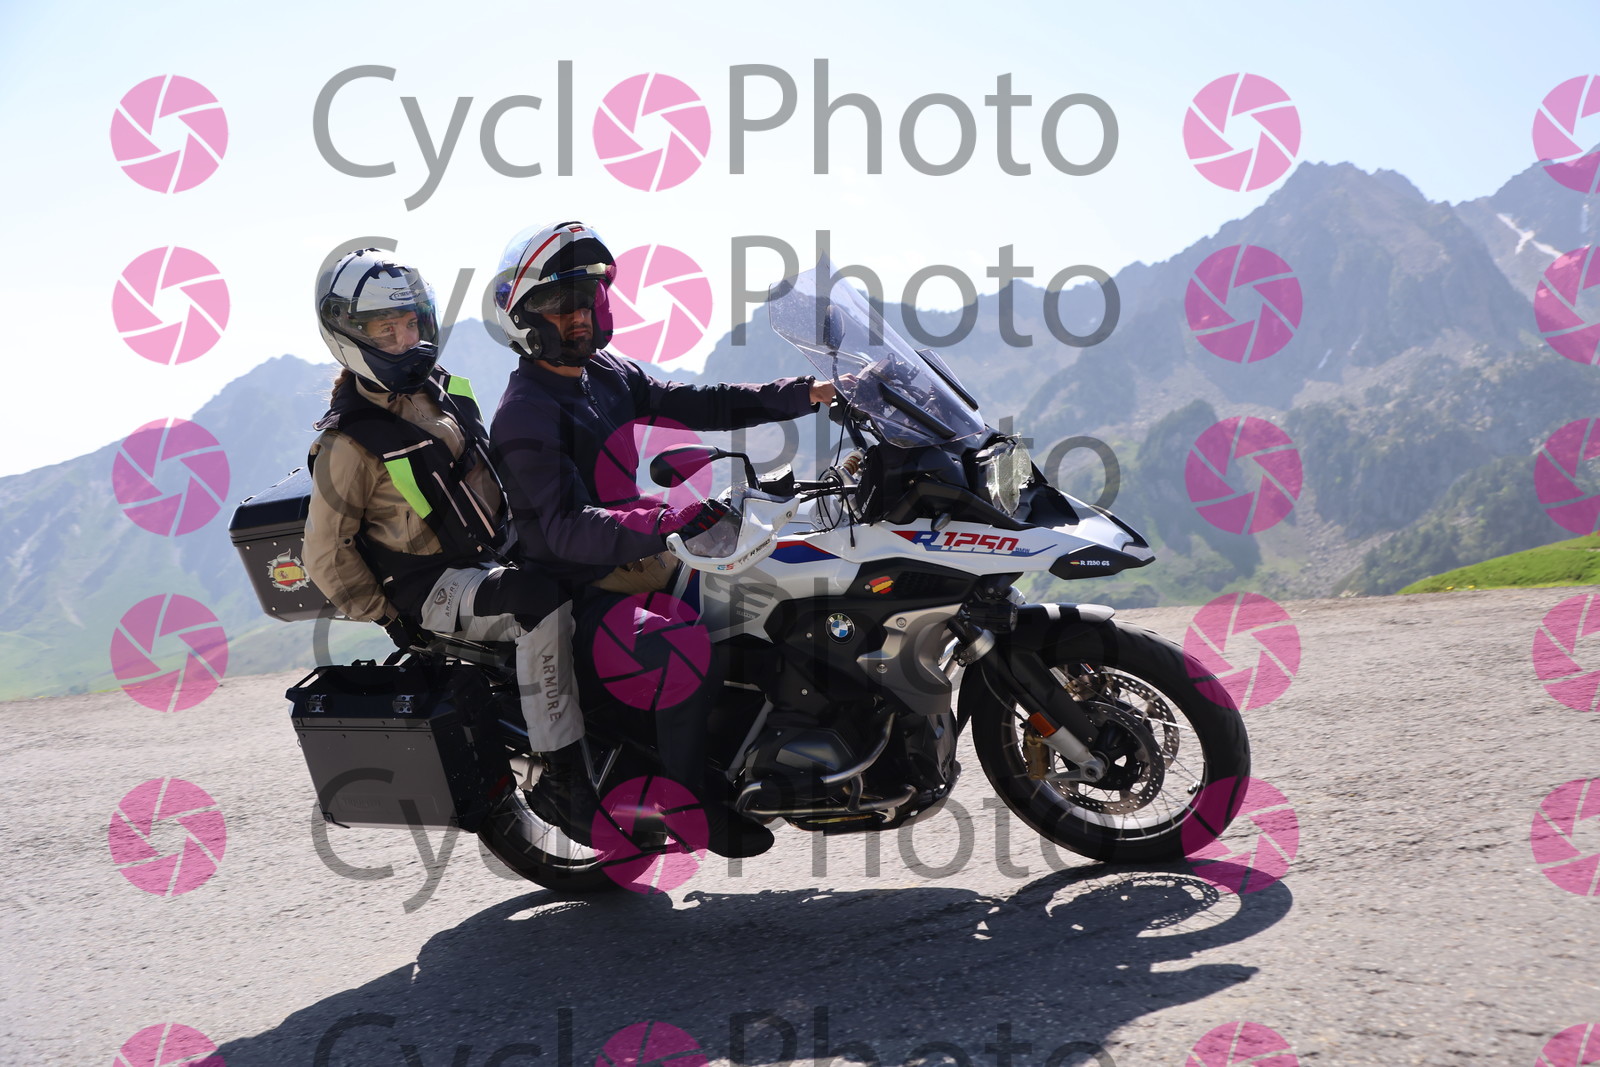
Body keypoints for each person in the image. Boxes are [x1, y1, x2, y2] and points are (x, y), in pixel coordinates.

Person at [487, 221, 836, 859]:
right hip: (583, 589)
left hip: (641, 559)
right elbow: (565, 528)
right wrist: (664, 521)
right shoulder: (525, 414)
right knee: (683, 646)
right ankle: (690, 803)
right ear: (526, 318)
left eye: (588, 300)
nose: (580, 316)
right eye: (561, 305)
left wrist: (805, 395)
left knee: (773, 594)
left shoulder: (603, 373)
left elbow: (696, 401)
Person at [302, 249, 590, 835]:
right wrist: (391, 618)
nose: (405, 339)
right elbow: (325, 553)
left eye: (411, 324)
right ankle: (562, 773)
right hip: (428, 586)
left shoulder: (445, 390)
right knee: (539, 602)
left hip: (494, 554)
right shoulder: (349, 442)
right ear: (349, 337)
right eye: (385, 329)